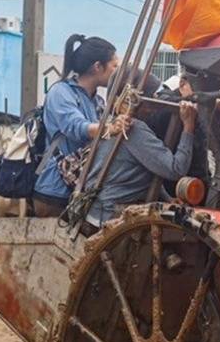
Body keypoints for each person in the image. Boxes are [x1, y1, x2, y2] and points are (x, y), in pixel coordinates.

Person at [71, 76, 200, 231]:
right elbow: (176, 169)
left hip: (95, 212)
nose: (154, 107)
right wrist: (188, 126)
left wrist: (167, 198)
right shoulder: (133, 129)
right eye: (151, 100)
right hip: (107, 217)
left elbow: (147, 169)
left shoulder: (113, 123)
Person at [31, 35, 119, 217]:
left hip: (81, 191)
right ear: (97, 67)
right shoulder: (61, 93)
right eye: (114, 66)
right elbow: (76, 127)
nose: (117, 72)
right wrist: (109, 129)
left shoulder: (98, 101)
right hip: (55, 192)